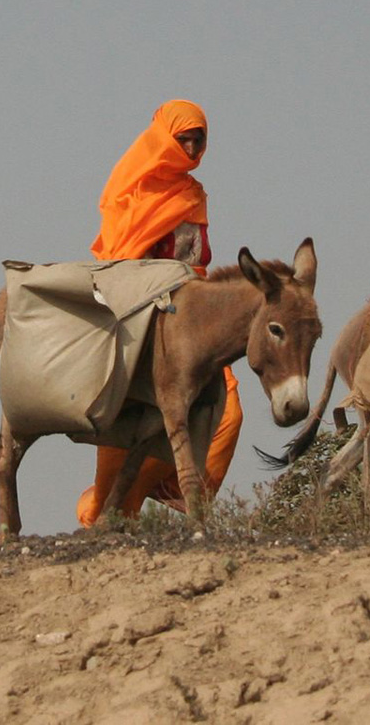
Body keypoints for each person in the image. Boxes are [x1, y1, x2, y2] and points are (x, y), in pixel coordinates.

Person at [75, 99, 243, 526]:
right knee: (125, 423)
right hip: (141, 318)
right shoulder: (131, 188)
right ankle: (105, 510)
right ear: (164, 137)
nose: (192, 149)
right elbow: (119, 256)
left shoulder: (193, 193)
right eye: (183, 139)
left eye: (199, 140)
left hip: (192, 318)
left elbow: (197, 262)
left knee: (228, 411)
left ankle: (178, 492)